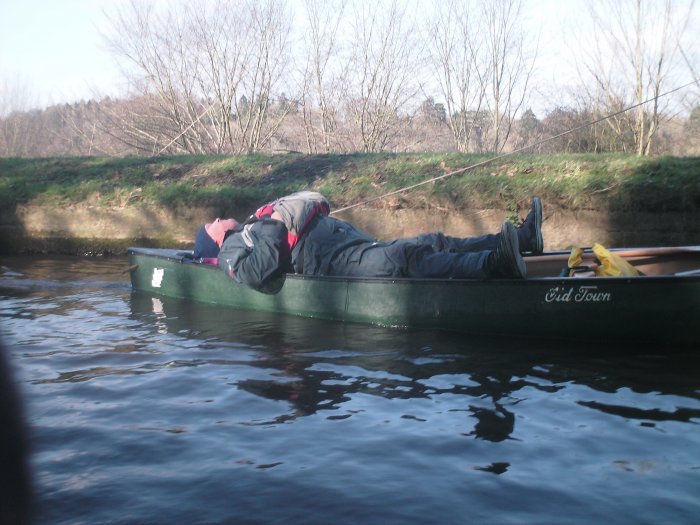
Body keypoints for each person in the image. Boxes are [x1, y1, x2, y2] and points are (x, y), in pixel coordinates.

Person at [193, 191, 543, 291]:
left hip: (340, 242)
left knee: (432, 241)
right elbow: (259, 270)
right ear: (216, 237)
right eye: (211, 224)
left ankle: (520, 240)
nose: (215, 218)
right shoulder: (231, 249)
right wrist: (274, 221)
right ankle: (494, 265)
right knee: (406, 258)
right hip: (329, 262)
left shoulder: (249, 229)